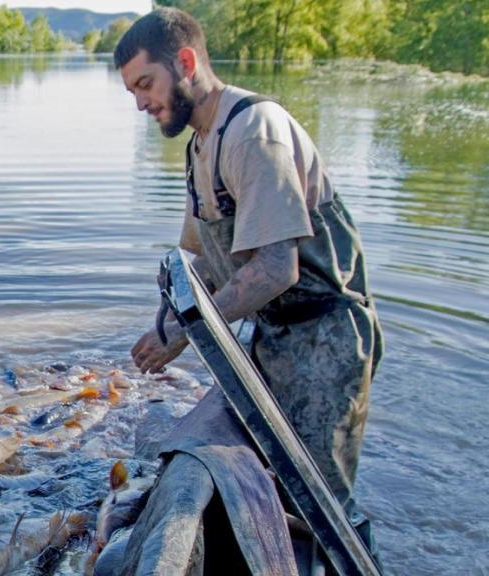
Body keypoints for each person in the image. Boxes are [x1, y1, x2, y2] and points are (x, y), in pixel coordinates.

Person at [117, 8, 383, 503]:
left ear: (186, 62)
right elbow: (208, 266)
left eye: (146, 84)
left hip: (325, 338)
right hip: (274, 338)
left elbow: (276, 269)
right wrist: (162, 326)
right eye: (132, 91)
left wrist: (181, 333)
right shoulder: (200, 145)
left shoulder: (253, 131)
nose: (141, 104)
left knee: (322, 504)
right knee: (269, 486)